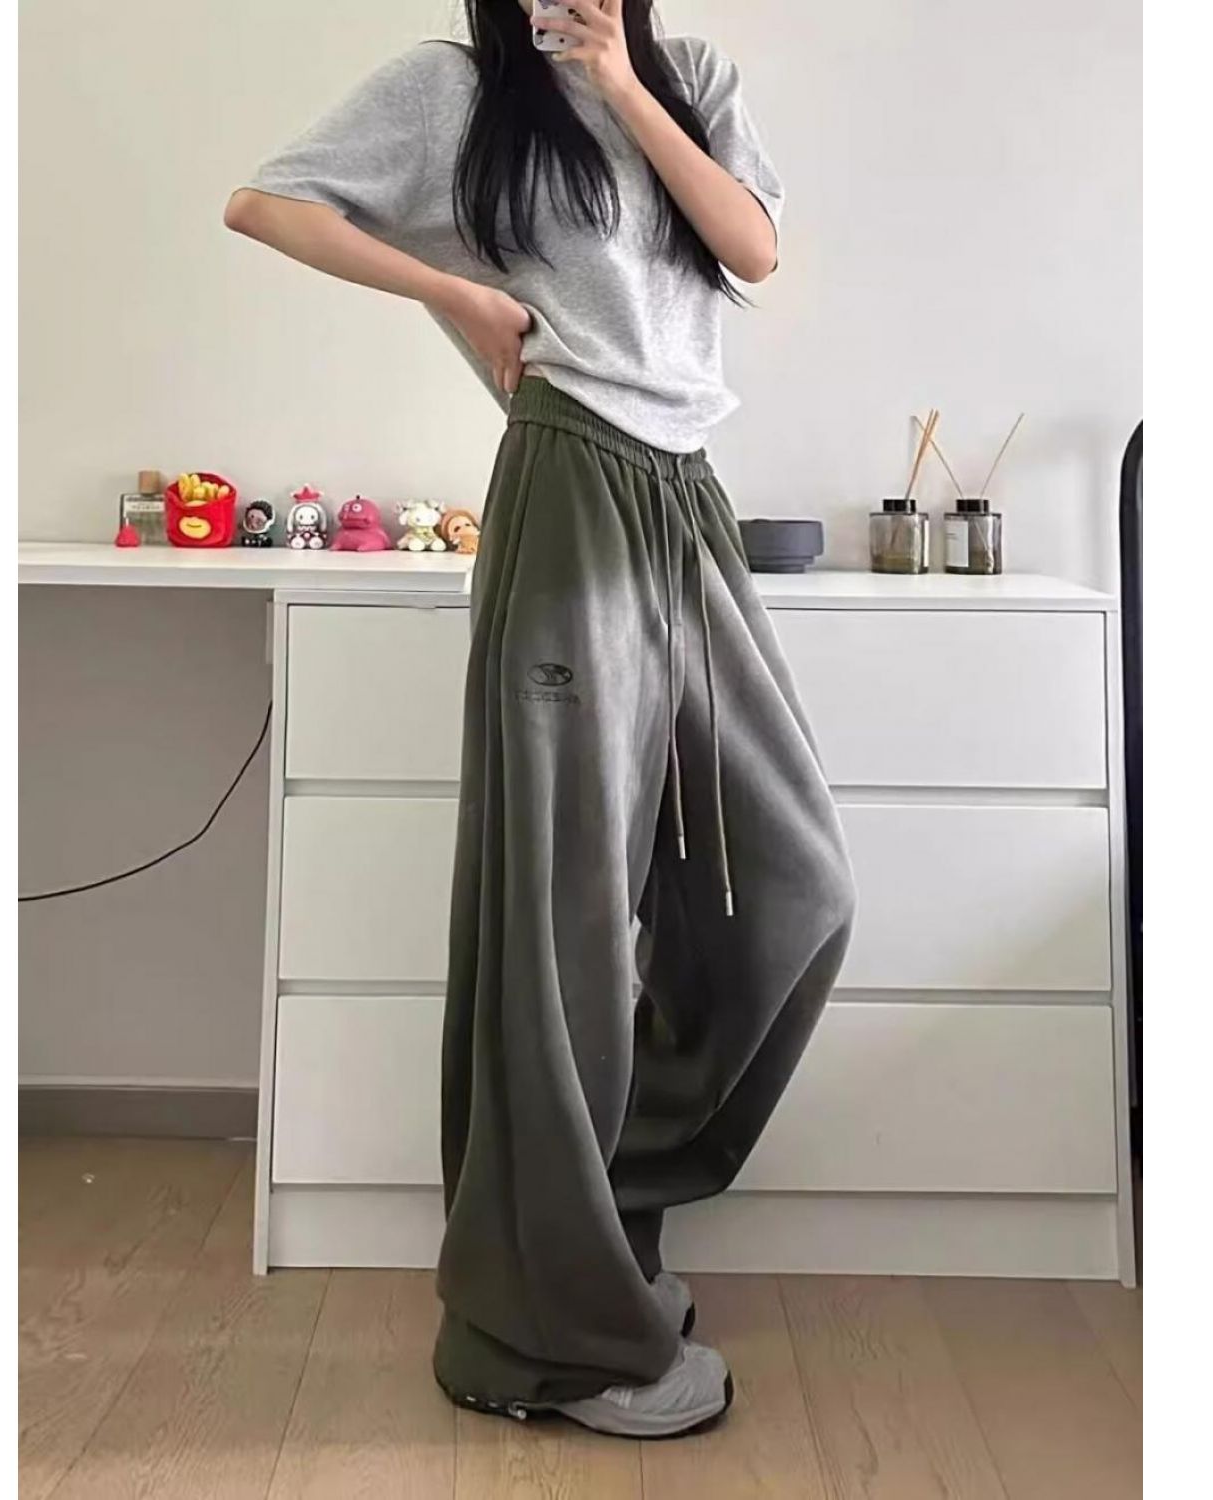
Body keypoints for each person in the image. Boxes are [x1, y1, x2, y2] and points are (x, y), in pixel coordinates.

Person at [227, 0, 855, 1440]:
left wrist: (624, 85)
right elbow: (265, 204)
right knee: (562, 920)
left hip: (685, 496)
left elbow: (753, 250)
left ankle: (595, 1215)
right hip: (570, 476)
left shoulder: (689, 78)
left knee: (792, 890)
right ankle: (549, 1334)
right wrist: (454, 293)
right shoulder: (457, 89)